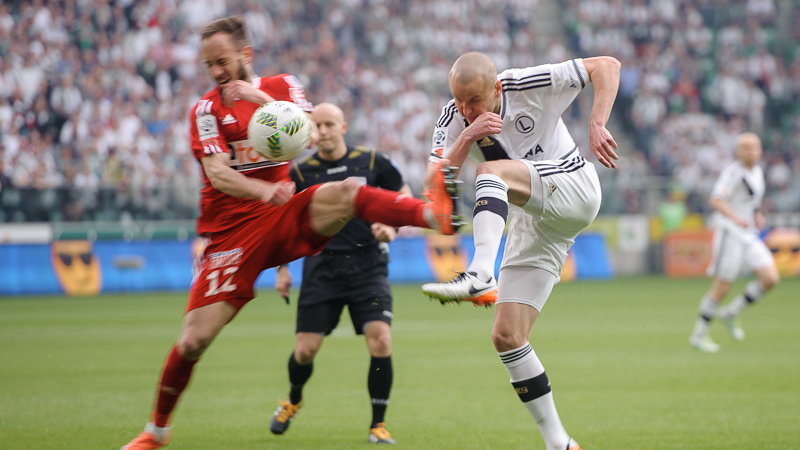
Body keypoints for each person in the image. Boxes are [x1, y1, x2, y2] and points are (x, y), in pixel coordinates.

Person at [121, 16, 460, 450]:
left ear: (246, 55)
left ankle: (434, 217)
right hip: (232, 234)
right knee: (193, 341)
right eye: (210, 65)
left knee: (347, 192)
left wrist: (258, 98)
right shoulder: (205, 111)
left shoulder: (282, 86)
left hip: (281, 215)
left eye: (222, 61)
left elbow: (302, 134)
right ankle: (157, 432)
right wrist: (265, 190)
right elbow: (219, 176)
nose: (217, 72)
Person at [422, 51, 621, 450]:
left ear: (495, 87)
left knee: (490, 171)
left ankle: (480, 273)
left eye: (474, 100)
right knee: (507, 336)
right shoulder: (454, 117)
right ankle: (559, 442)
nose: (465, 108)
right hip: (534, 218)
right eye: (459, 100)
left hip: (574, 187)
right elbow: (434, 180)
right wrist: (466, 134)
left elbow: (607, 66)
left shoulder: (525, 84)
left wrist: (596, 123)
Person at [270, 102, 404, 444]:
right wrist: (282, 270)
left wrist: (391, 225)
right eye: (319, 125)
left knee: (381, 340)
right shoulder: (301, 173)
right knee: (305, 351)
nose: (324, 130)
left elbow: (402, 194)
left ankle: (378, 424)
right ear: (311, 132)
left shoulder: (371, 162)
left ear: (343, 127)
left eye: (330, 124)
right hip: (322, 268)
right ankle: (294, 398)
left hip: (368, 266)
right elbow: (284, 225)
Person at [689, 132, 780, 353]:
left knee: (770, 278)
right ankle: (699, 335)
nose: (751, 152)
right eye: (746, 148)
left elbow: (752, 201)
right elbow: (716, 199)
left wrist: (757, 214)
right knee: (722, 287)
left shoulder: (757, 171)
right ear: (738, 151)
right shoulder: (732, 172)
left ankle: (731, 313)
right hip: (730, 233)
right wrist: (736, 218)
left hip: (748, 235)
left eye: (754, 147)